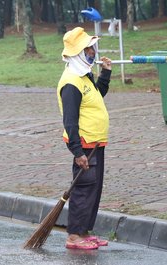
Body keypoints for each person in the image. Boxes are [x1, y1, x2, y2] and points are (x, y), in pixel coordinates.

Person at [56, 27, 112, 250]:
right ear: (77, 52)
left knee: (93, 189)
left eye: (92, 47)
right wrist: (77, 152)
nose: (92, 52)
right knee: (83, 189)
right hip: (84, 145)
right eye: (87, 48)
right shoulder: (71, 83)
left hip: (96, 143)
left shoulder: (84, 75)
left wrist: (105, 73)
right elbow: (70, 122)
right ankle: (74, 236)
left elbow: (96, 96)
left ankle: (85, 231)